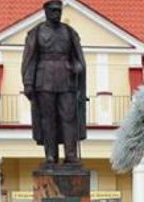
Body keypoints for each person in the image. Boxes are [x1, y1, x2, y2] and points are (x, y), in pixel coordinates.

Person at [21, 0, 87, 165]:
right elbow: (30, 59)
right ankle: (51, 155)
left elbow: (78, 59)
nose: (56, 14)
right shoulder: (36, 33)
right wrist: (28, 83)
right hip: (44, 81)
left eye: (58, 10)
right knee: (47, 119)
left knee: (69, 117)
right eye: (53, 10)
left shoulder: (69, 33)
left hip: (66, 80)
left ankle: (70, 154)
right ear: (45, 11)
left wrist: (78, 67)